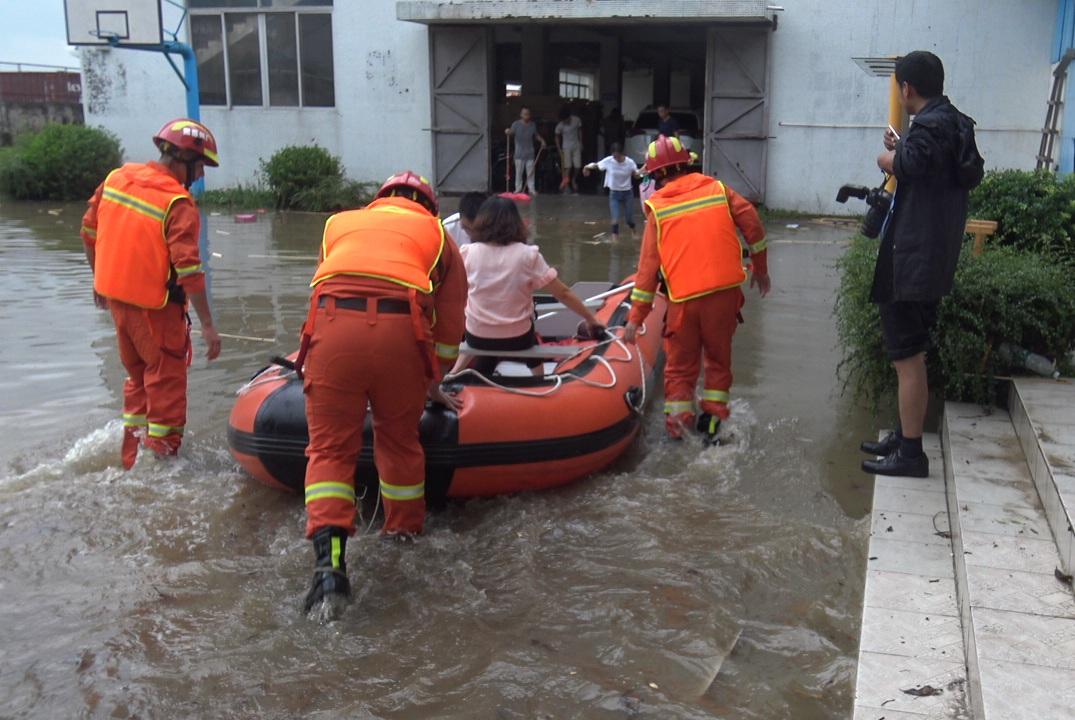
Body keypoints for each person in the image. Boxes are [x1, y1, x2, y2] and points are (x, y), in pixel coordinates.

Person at [299, 171, 467, 614]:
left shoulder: (339, 223)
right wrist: (434, 380)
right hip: (401, 336)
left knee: (329, 451)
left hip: (332, 330)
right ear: (429, 206)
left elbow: (321, 285)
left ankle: (329, 568)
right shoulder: (439, 237)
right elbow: (450, 327)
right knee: (398, 441)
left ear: (378, 201)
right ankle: (403, 538)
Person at [861, 51, 983, 478]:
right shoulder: (955, 124)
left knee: (906, 356)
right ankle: (904, 433)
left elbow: (909, 166)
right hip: (933, 257)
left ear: (906, 88)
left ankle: (911, 454)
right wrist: (904, 146)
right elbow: (932, 167)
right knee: (913, 351)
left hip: (911, 259)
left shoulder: (929, 128)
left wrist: (888, 158)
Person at [80, 118, 222, 470]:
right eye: (201, 166)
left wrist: (99, 278)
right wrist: (207, 325)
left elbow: (88, 231)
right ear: (184, 160)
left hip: (119, 307)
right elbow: (188, 268)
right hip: (157, 315)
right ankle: (160, 475)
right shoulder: (178, 202)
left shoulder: (116, 179)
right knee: (167, 397)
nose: (201, 175)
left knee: (138, 385)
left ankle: (131, 461)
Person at [623, 135, 770, 443]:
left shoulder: (658, 209)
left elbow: (648, 271)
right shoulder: (717, 189)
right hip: (725, 295)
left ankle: (678, 429)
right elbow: (752, 223)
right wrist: (760, 268)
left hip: (684, 302)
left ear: (657, 176)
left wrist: (636, 319)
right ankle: (714, 423)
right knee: (718, 361)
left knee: (679, 368)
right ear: (686, 163)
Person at [452, 196, 604, 378]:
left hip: (476, 336)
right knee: (530, 337)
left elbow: (455, 293)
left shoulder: (467, 253)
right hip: (517, 338)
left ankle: (454, 375)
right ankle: (540, 380)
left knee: (484, 333)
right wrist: (590, 318)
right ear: (515, 223)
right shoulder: (528, 255)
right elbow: (563, 293)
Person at [583, 142, 641, 243]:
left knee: (629, 219)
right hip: (614, 194)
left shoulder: (630, 162)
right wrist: (586, 167)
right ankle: (615, 238)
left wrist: (641, 173)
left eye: (618, 156)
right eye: (614, 156)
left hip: (627, 193)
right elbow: (596, 165)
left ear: (622, 154)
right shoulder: (609, 161)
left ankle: (633, 230)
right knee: (615, 218)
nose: (616, 159)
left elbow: (636, 175)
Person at [506, 107, 547, 195]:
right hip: (519, 153)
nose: (526, 116)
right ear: (521, 115)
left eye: (528, 114)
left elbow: (536, 135)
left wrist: (542, 141)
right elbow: (511, 132)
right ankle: (518, 189)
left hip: (530, 152)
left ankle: (531, 189)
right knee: (519, 173)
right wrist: (508, 131)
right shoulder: (516, 124)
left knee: (531, 172)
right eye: (525, 114)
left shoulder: (532, 125)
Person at [555, 106, 583, 193]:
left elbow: (580, 131)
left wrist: (581, 142)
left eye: (566, 119)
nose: (564, 122)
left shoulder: (576, 120)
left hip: (576, 146)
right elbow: (557, 137)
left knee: (577, 166)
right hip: (566, 147)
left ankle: (573, 179)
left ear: (569, 117)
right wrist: (559, 149)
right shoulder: (560, 125)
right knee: (568, 166)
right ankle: (566, 184)